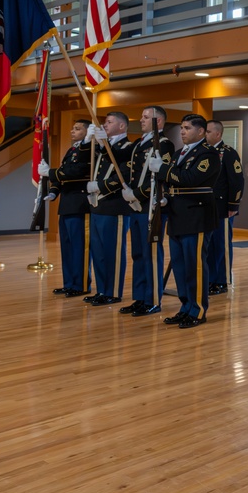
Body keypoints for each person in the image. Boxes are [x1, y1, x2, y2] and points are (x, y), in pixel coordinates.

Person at [148, 114, 220, 328]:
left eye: (187, 128)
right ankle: (185, 307)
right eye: (181, 127)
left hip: (196, 216)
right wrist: (164, 197)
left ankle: (197, 310)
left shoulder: (208, 154)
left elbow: (190, 179)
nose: (182, 131)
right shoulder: (179, 153)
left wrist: (162, 169)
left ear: (201, 131)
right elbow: (172, 182)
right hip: (177, 215)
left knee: (194, 267)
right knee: (180, 267)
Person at [120, 106, 175, 317]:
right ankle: (140, 297)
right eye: (142, 116)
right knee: (138, 254)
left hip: (151, 206)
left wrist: (136, 194)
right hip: (136, 207)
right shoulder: (139, 143)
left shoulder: (164, 144)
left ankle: (152, 300)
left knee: (151, 254)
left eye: (145, 117)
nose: (141, 120)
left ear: (158, 121)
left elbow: (160, 178)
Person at [84, 111, 137, 307]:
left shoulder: (128, 147)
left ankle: (113, 292)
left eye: (109, 122)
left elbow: (124, 175)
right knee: (98, 252)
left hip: (115, 206)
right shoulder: (103, 146)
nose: (105, 125)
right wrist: (88, 141)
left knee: (112, 252)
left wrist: (99, 186)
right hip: (98, 205)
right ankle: (102, 290)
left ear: (122, 126)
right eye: (105, 122)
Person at [41, 119, 92, 297]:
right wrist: (53, 191)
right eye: (73, 128)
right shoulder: (72, 150)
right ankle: (69, 283)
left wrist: (50, 172)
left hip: (80, 204)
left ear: (87, 132)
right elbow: (63, 174)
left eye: (77, 129)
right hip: (67, 204)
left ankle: (81, 284)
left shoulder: (89, 150)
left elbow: (76, 172)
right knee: (67, 247)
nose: (72, 131)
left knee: (79, 247)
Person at [205, 120, 244, 295]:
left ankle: (222, 281)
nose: (205, 135)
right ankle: (210, 279)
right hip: (206, 206)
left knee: (222, 245)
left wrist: (233, 204)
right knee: (209, 246)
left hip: (223, 207)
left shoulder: (228, 153)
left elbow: (237, 181)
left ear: (218, 134)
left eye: (208, 132)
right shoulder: (204, 152)